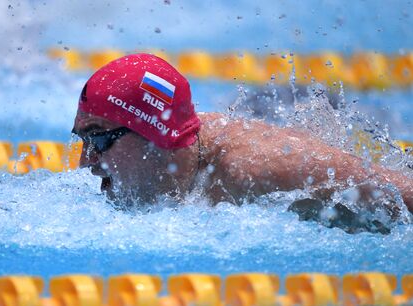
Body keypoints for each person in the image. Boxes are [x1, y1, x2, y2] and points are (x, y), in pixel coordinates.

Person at [71, 53, 413, 232]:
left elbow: (403, 193)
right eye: (83, 140)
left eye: (99, 139)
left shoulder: (259, 168)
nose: (85, 162)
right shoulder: (178, 166)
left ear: (155, 135)